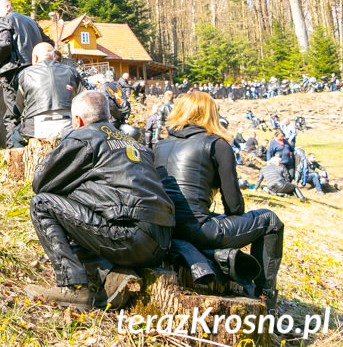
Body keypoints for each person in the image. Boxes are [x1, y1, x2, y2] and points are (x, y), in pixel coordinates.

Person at [26, 90, 174, 309]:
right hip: (162, 242)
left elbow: (41, 183)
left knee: (42, 204)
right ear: (107, 115)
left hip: (129, 237)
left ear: (77, 119)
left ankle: (73, 287)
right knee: (81, 200)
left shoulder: (84, 137)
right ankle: (111, 275)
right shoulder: (133, 142)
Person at [153, 91, 284, 310]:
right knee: (270, 220)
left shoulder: (159, 145)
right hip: (199, 229)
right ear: (210, 114)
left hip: (165, 229)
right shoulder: (217, 144)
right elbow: (234, 206)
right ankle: (266, 297)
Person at [0, 0, 54, 139]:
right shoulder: (32, 22)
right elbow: (50, 43)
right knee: (34, 108)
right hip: (37, 70)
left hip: (14, 70)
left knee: (13, 112)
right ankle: (34, 143)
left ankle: (15, 146)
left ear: (8, 7)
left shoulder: (4, 20)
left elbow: (4, 44)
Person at [9, 43, 81, 147]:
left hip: (37, 128)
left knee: (14, 138)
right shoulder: (71, 71)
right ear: (53, 56)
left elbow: (19, 107)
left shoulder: (25, 74)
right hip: (68, 125)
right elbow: (80, 100)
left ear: (35, 57)